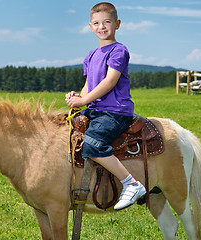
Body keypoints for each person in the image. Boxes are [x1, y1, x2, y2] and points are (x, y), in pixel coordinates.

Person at [65, 2, 146, 211]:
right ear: (90, 26)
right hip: (95, 110)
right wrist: (78, 98)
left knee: (92, 143)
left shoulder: (119, 51)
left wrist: (84, 101)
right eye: (96, 23)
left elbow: (109, 82)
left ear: (117, 24)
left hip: (115, 111)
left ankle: (131, 183)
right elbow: (88, 86)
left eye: (107, 22)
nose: (102, 27)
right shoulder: (90, 56)